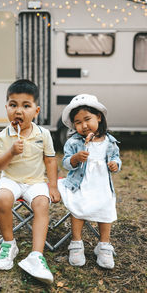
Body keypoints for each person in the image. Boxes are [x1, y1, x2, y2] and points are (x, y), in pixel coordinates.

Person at [0, 79, 60, 284]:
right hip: (11, 179)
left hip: (36, 181)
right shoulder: (3, 136)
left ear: (36, 111)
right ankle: (8, 243)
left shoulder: (43, 134)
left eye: (26, 106)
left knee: (42, 203)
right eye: (13, 105)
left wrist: (53, 186)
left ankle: (36, 256)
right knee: (3, 198)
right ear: (6, 108)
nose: (18, 111)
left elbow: (50, 160)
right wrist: (11, 152)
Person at [58, 94, 121, 269]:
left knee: (106, 207)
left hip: (101, 183)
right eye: (78, 122)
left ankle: (104, 245)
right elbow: (65, 163)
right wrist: (76, 158)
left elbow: (116, 157)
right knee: (78, 206)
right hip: (81, 183)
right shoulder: (73, 142)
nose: (84, 125)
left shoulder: (109, 141)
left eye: (87, 119)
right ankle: (76, 243)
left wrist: (115, 164)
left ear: (99, 117)